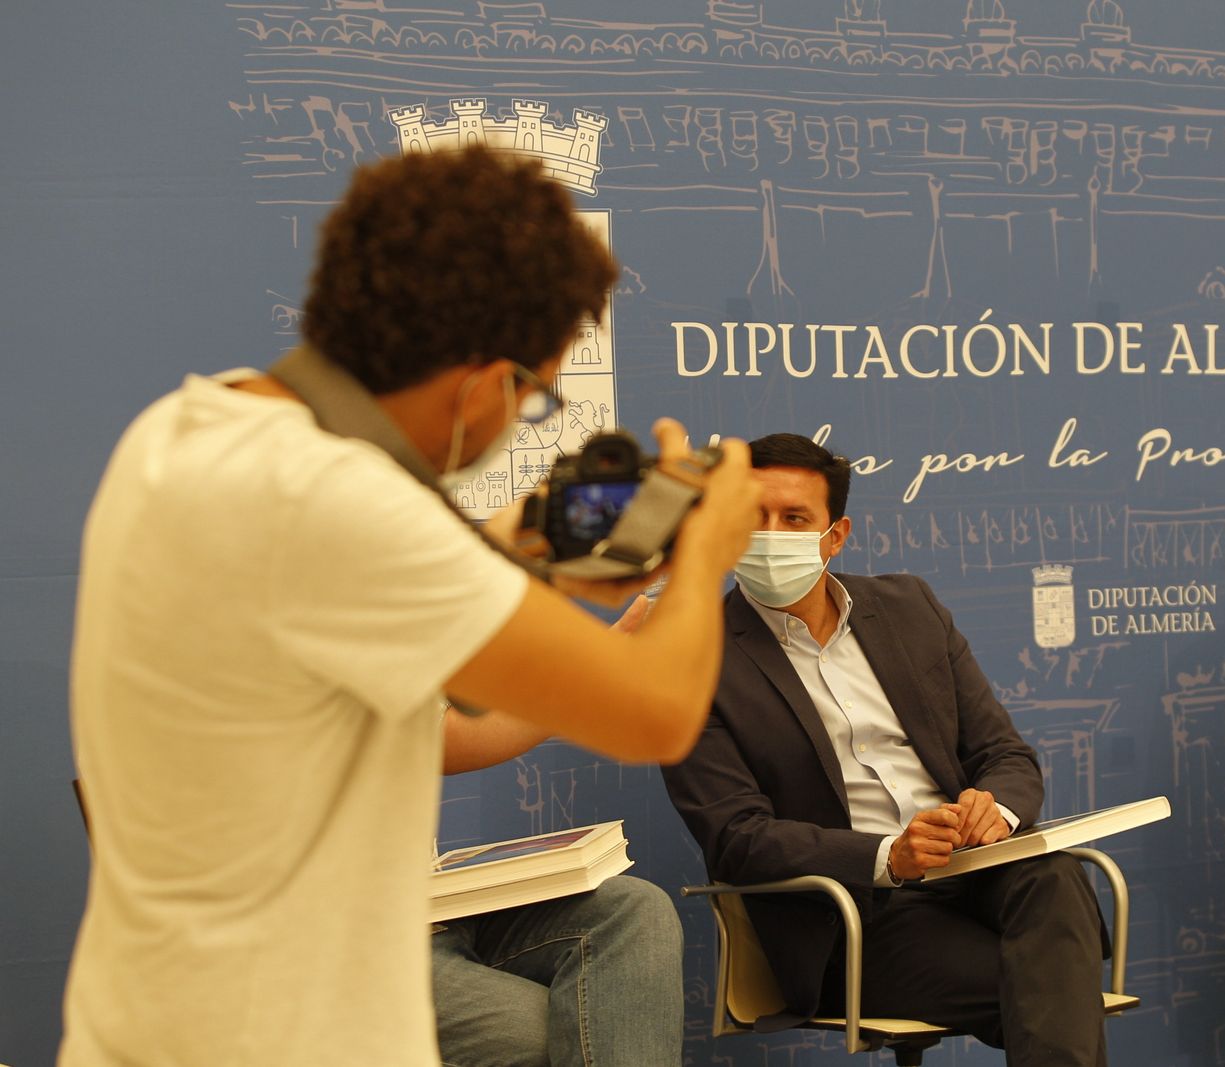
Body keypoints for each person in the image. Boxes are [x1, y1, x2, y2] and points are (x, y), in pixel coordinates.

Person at [63, 146, 760, 1066]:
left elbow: (390, 690)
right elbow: (658, 709)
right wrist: (708, 537)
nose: (525, 418)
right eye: (535, 392)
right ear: (483, 384)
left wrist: (522, 550)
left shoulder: (194, 431)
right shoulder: (338, 504)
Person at [661, 433, 1109, 1067]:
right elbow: (737, 836)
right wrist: (887, 856)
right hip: (852, 917)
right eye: (750, 517)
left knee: (1054, 873)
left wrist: (996, 811)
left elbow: (1005, 754)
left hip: (973, 871)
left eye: (794, 519)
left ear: (835, 535)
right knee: (1053, 980)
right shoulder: (692, 658)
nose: (771, 535)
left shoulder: (910, 608)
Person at [432, 648, 684, 1067]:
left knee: (635, 910)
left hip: (437, 909)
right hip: (353, 945)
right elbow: (444, 739)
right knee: (541, 1034)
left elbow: (450, 720)